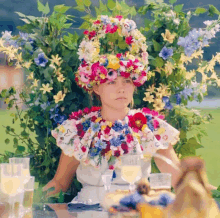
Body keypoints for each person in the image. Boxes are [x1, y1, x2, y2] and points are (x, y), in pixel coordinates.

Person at [42, 15, 217, 204]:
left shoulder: (150, 126)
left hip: (136, 208)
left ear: (135, 85)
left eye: (127, 81)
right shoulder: (78, 130)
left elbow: (179, 179)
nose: (121, 88)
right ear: (96, 88)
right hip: (86, 210)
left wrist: (209, 193)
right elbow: (59, 183)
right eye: (111, 82)